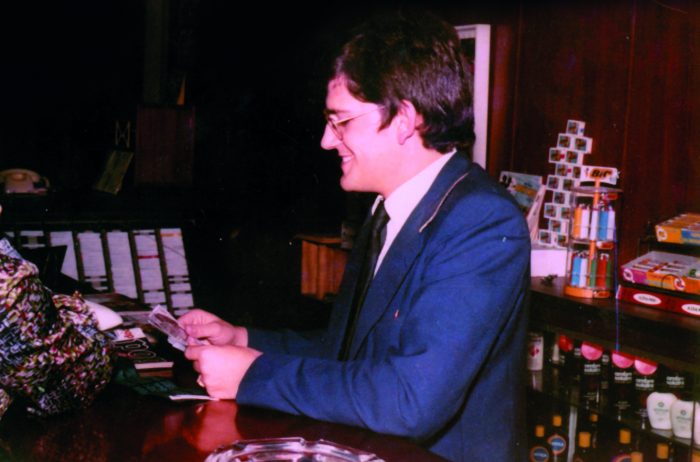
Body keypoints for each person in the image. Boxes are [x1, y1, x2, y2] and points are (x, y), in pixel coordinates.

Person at [180, 8, 530, 461]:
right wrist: (244, 339)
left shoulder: (481, 222)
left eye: (342, 121)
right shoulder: (389, 208)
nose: (327, 140)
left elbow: (410, 400)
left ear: (405, 119)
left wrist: (253, 375)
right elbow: (350, 352)